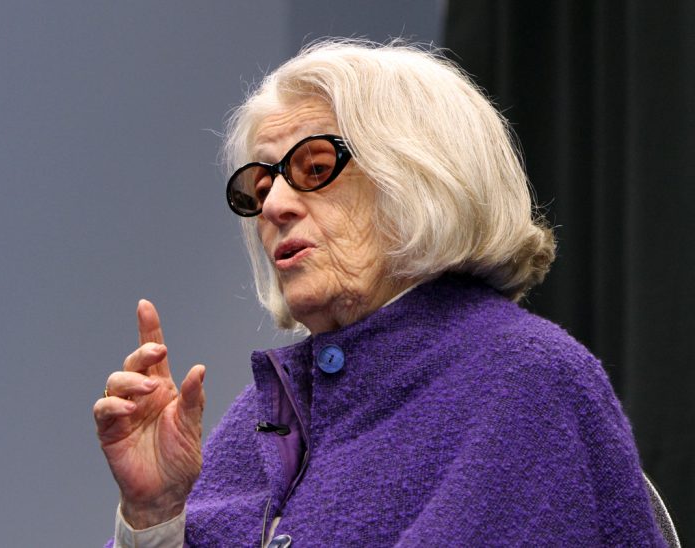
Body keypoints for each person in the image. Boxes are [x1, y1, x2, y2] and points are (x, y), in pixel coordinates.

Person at [93, 39, 667, 547]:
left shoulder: (527, 378)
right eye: (261, 184)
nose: (272, 206)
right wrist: (155, 516)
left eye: (314, 167)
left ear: (421, 179)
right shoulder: (263, 412)